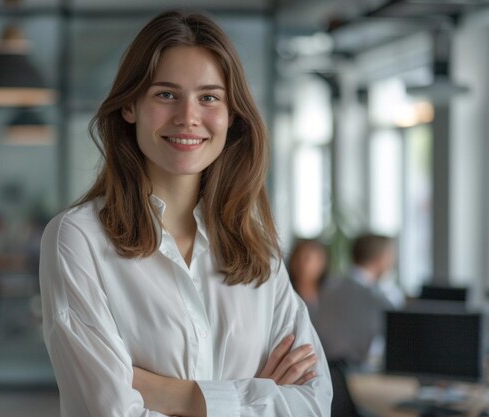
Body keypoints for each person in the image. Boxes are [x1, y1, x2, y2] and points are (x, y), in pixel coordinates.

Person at [39, 10, 331, 417]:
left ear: (232, 116)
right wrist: (255, 394)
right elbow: (108, 411)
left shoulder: (258, 249)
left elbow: (313, 405)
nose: (188, 116)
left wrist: (163, 392)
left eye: (209, 97)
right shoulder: (78, 239)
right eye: (165, 94)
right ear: (130, 107)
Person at [313, 233, 403, 367]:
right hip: (361, 373)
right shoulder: (378, 298)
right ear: (380, 259)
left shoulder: (328, 287)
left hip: (327, 369)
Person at [288, 238, 328, 316]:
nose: (302, 265)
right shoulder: (285, 295)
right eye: (298, 258)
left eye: (307, 259)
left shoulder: (330, 299)